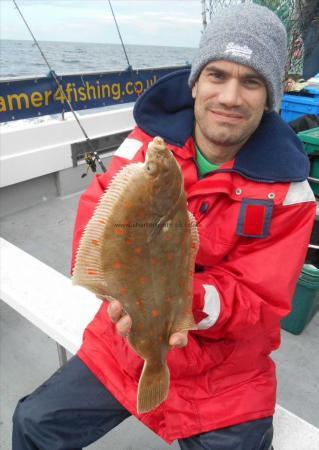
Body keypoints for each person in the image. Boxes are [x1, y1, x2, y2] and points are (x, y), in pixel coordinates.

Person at [12, 4, 316, 450]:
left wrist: (182, 300)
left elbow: (260, 302)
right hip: (123, 342)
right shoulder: (143, 146)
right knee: (34, 422)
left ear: (270, 97)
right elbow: (97, 222)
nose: (230, 97)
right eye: (217, 75)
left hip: (225, 373)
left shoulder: (290, 193)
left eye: (251, 82)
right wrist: (118, 293)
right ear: (195, 83)